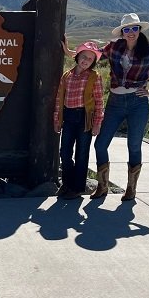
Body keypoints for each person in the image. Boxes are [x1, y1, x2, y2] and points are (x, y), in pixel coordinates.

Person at [64, 13, 149, 201]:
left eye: (134, 28)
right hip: (115, 102)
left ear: (139, 30)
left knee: (134, 144)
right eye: (127, 29)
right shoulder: (114, 47)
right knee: (100, 143)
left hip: (138, 102)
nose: (130, 32)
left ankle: (131, 189)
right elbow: (94, 56)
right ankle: (102, 185)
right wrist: (71, 52)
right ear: (122, 32)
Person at [54, 41, 104, 199]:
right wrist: (57, 119)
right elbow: (59, 99)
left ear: (93, 62)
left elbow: (99, 101)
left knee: (82, 153)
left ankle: (77, 188)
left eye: (90, 59)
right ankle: (67, 183)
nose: (86, 61)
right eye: (84, 57)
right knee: (65, 152)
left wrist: (97, 123)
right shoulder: (67, 76)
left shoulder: (94, 77)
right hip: (68, 117)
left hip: (85, 117)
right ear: (77, 57)